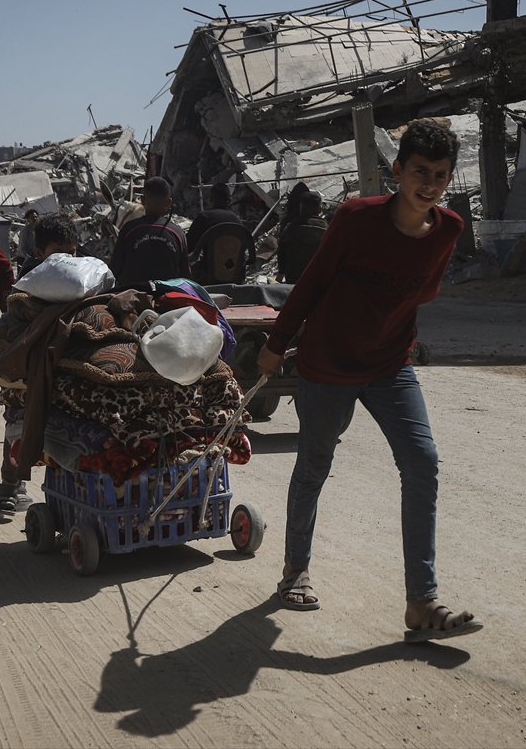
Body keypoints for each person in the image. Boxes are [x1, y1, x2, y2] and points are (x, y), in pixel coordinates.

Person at [256, 119, 482, 643]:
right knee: (314, 466)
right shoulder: (356, 219)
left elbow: (421, 295)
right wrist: (273, 345)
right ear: (398, 170)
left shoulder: (448, 229)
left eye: (441, 175)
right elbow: (311, 283)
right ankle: (295, 572)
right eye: (420, 171)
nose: (429, 183)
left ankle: (421, 603)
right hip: (327, 365)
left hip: (390, 367)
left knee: (422, 462)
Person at [0, 214, 80, 514]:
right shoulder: (29, 280)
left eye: (72, 251)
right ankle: (9, 484)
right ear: (40, 252)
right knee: (18, 417)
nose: (67, 258)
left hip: (63, 360)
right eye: (59, 251)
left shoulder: (80, 274)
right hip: (29, 362)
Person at [109, 176, 190, 287]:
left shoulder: (129, 229)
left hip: (133, 296)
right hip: (169, 297)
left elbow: (114, 270)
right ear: (169, 203)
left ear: (142, 200)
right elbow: (185, 276)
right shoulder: (177, 233)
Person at [277, 189, 327, 283]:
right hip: (319, 279)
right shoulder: (326, 229)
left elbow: (282, 252)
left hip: (294, 279)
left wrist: (281, 273)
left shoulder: (290, 228)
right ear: (319, 209)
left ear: (301, 208)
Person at [15, 214, 78, 279]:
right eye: (58, 254)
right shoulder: (29, 281)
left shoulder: (81, 275)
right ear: (39, 253)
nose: (66, 259)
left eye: (71, 253)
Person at [186, 182, 242, 248]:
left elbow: (189, 244)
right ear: (229, 200)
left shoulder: (204, 217)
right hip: (234, 258)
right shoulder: (237, 222)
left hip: (209, 258)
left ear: (210, 199)